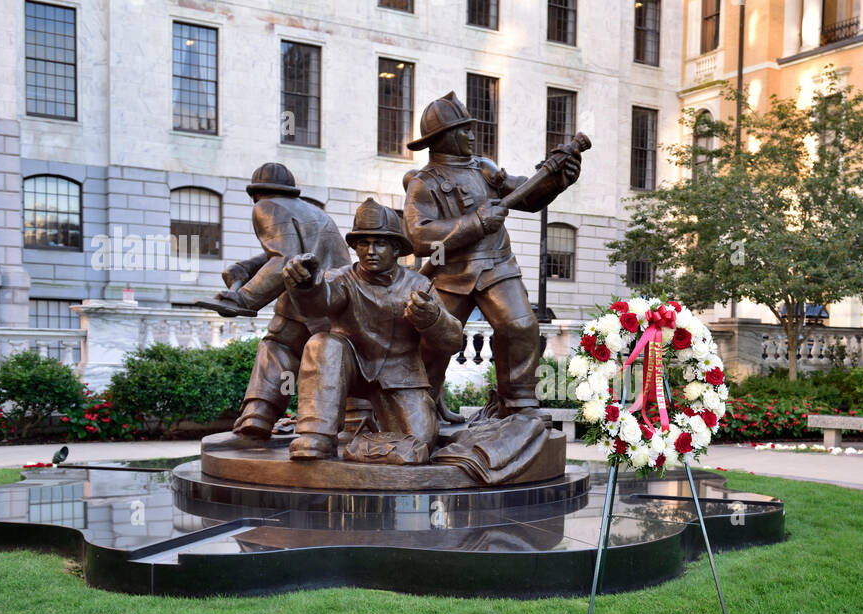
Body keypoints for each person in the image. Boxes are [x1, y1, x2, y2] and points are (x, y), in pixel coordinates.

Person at [403, 91, 581, 421]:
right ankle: (420, 407)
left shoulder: (484, 169)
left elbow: (525, 195)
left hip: (497, 265)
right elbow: (419, 236)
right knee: (432, 342)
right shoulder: (423, 183)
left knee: (521, 325)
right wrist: (476, 222)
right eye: (464, 130)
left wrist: (558, 180)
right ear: (444, 137)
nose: (473, 135)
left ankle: (517, 404)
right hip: (450, 272)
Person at [280, 198, 465, 462]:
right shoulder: (341, 278)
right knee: (323, 343)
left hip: (401, 375)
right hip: (351, 366)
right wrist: (307, 284)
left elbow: (453, 340)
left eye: (380, 243)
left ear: (396, 249)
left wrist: (432, 319)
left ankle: (361, 447)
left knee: (420, 442)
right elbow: (322, 300)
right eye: (363, 243)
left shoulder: (418, 283)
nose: (370, 251)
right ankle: (316, 436)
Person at [196, 162, 350, 441]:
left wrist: (244, 297)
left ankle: (260, 414)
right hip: (336, 299)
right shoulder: (313, 211)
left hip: (303, 298)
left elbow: (283, 261)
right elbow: (291, 253)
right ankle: (326, 422)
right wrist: (248, 268)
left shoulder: (266, 207)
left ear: (256, 193)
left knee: (278, 346)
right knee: (323, 355)